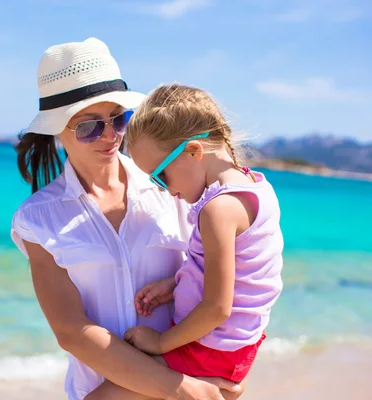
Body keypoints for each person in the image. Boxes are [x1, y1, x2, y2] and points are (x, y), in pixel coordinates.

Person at [10, 37, 247, 400]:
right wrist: (180, 389)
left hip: (200, 382)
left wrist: (229, 367)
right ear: (57, 129)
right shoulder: (38, 220)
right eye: (89, 126)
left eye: (118, 119)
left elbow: (232, 277)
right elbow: (72, 330)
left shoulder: (176, 184)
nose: (110, 136)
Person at [86, 84, 284, 399]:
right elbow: (245, 273)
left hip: (210, 348)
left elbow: (218, 308)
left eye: (159, 176)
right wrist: (178, 282)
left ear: (193, 151)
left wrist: (160, 343)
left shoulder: (218, 210)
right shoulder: (257, 186)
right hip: (231, 348)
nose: (162, 188)